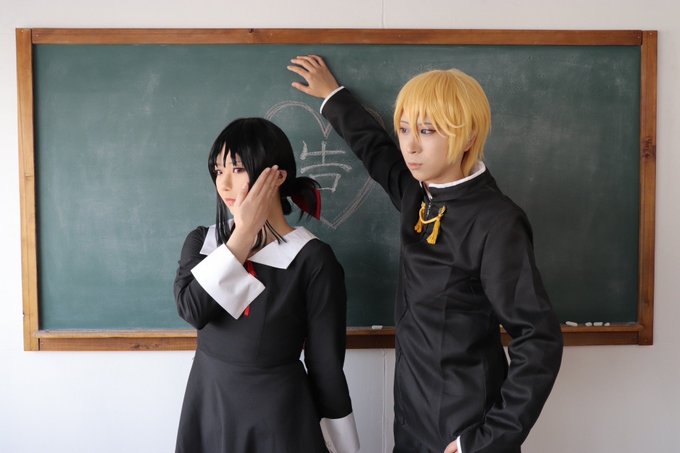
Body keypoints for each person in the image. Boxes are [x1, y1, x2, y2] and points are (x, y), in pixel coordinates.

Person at [288, 55, 563, 453]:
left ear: (467, 136)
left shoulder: (497, 220)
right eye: (404, 129)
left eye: (428, 131)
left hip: (465, 429)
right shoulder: (417, 193)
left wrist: (484, 441)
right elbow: (376, 151)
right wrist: (333, 96)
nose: (411, 145)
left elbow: (538, 340)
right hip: (411, 420)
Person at [173, 117, 360, 453]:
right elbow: (193, 310)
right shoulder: (202, 241)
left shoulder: (312, 259)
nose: (224, 183)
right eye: (218, 170)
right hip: (209, 404)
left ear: (278, 176)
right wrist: (243, 234)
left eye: (238, 169)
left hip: (277, 417)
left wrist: (343, 446)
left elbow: (326, 365)